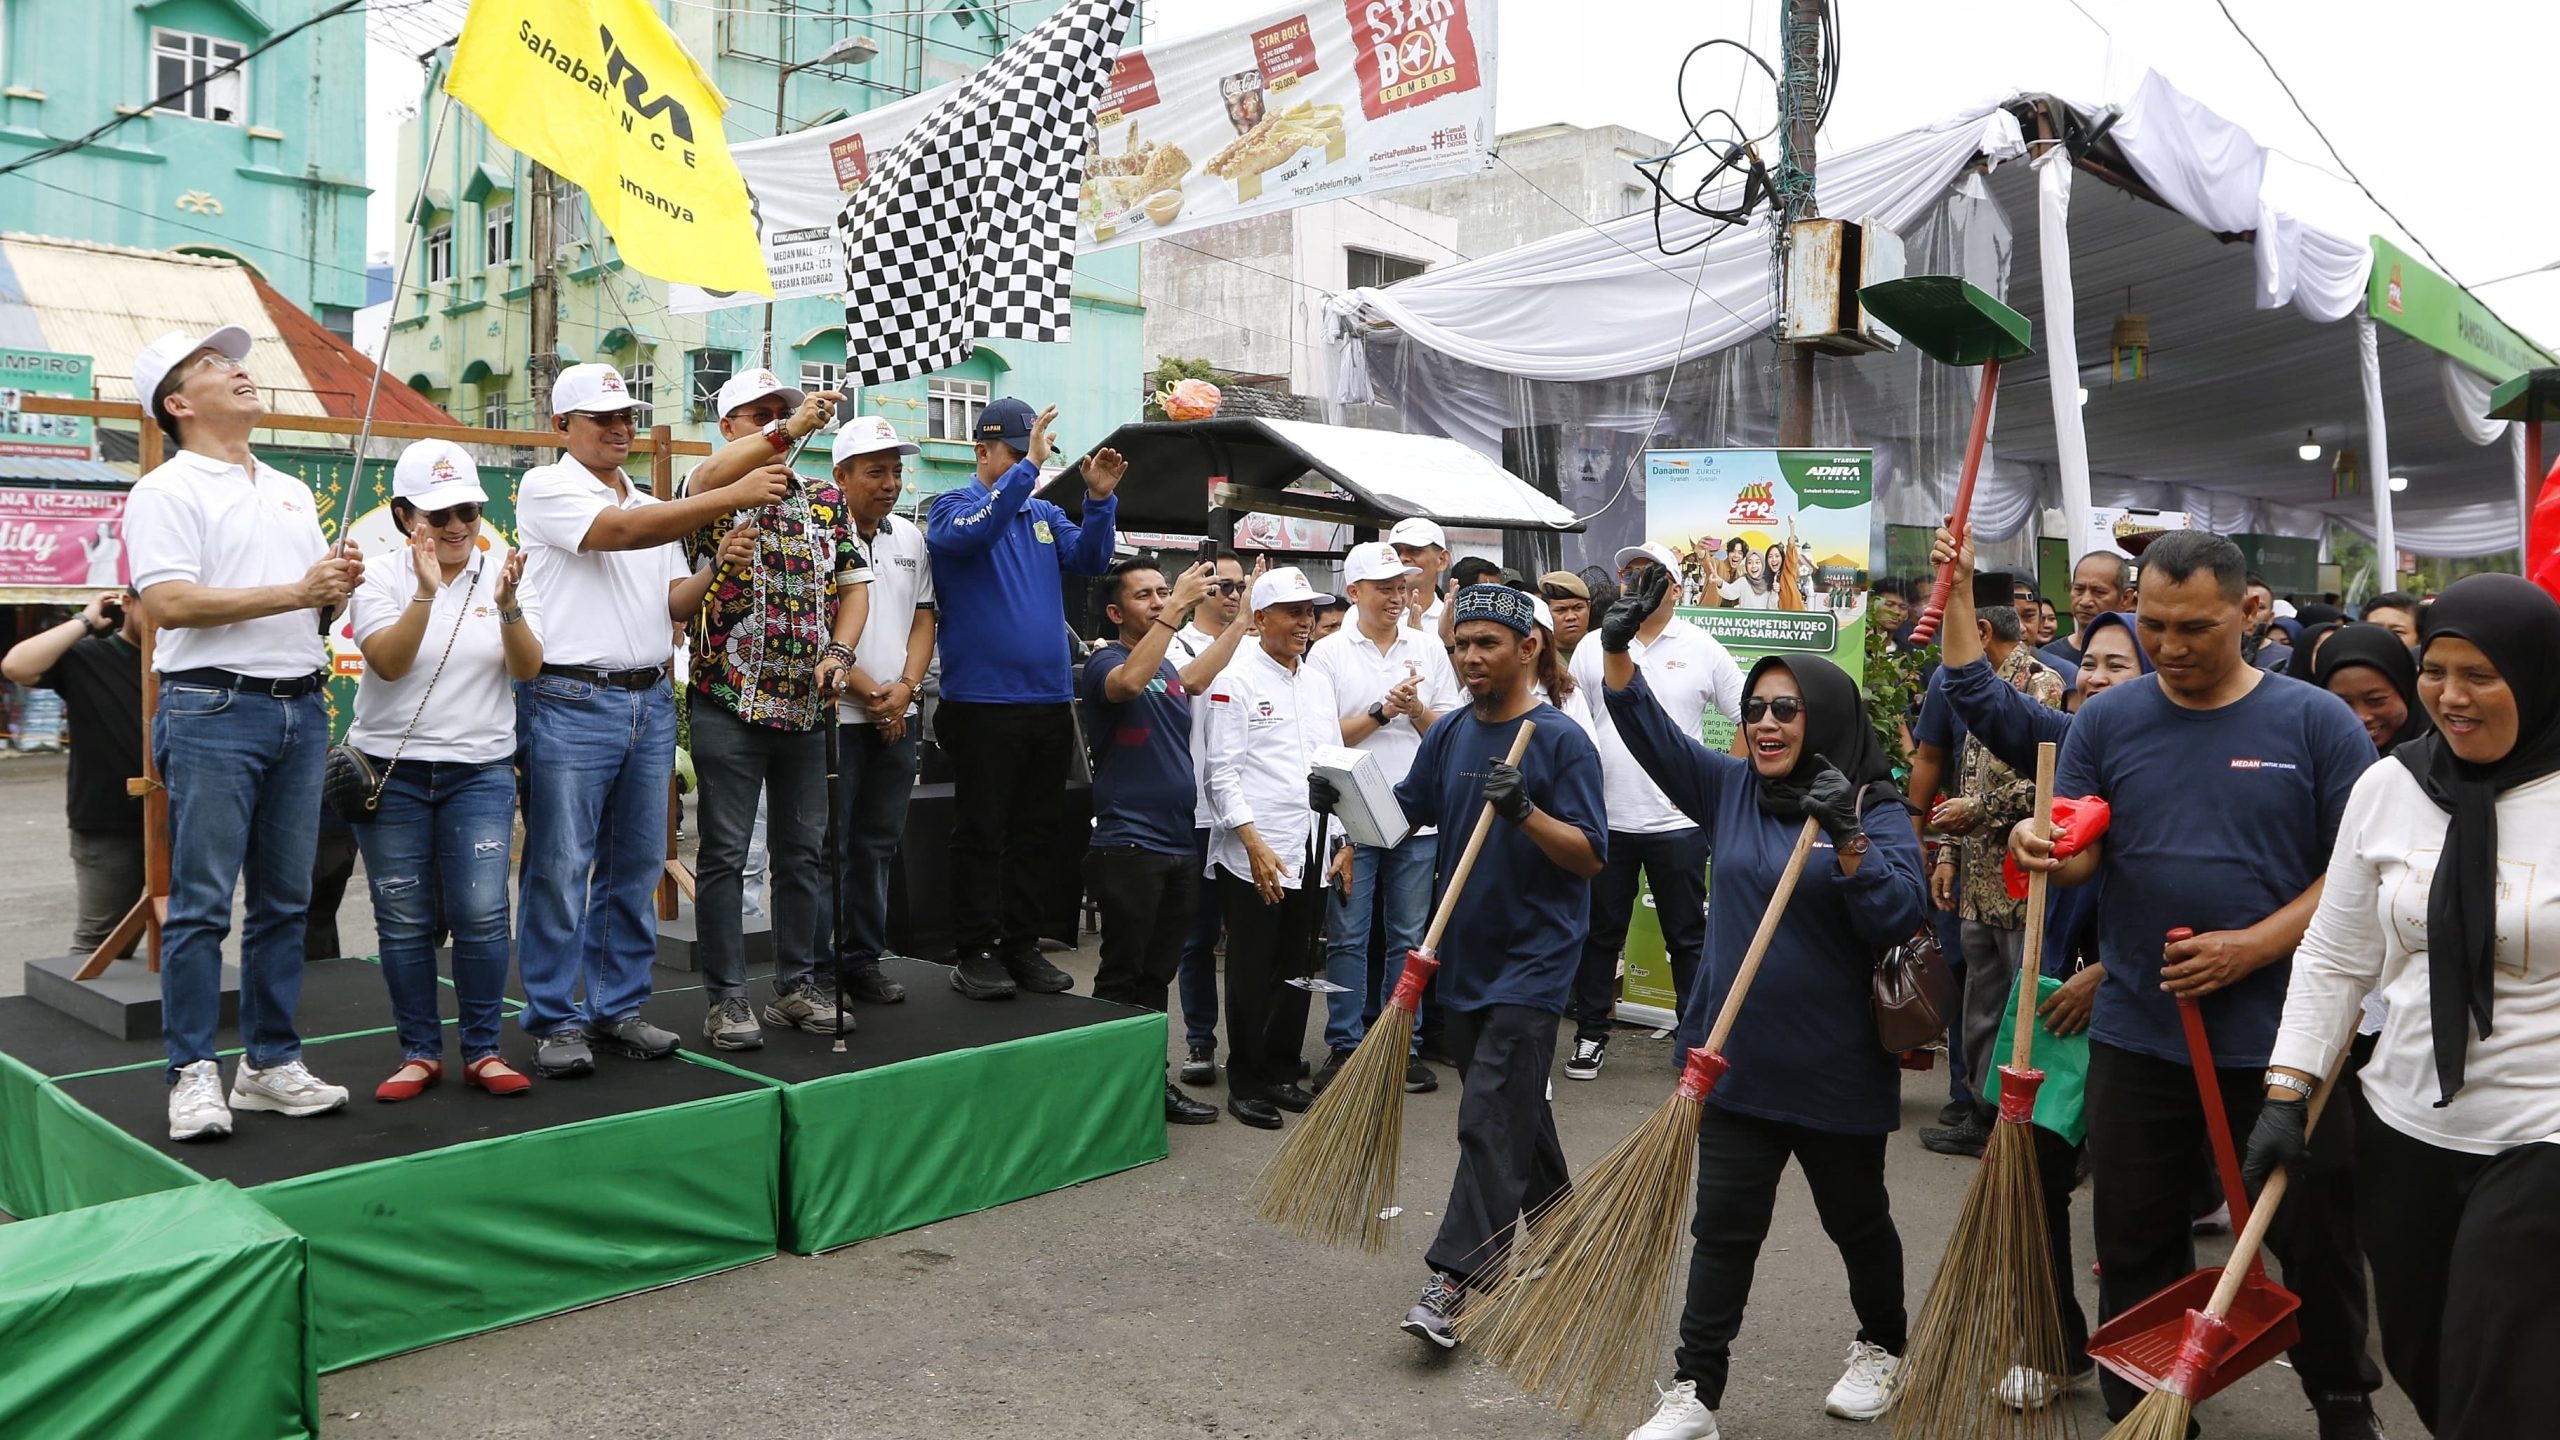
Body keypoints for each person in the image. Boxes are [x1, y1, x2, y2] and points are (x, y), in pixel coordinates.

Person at [2008, 530, 2387, 1437]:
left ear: (2249, 612)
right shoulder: (2109, 720)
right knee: (2135, 1237)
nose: (2172, 647)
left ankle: (2341, 1398)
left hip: (2287, 1041)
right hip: (2142, 1032)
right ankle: (2145, 1409)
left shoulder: (2314, 723)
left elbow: (2363, 870)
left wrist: (2253, 946)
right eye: (2154, 625)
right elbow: (2084, 838)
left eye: (2196, 627)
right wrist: (2045, 851)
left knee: (2311, 1234)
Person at [1601, 564, 1929, 1438]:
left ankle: (1882, 1346)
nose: (1768, 723)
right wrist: (1617, 647)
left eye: (1787, 709)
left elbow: (1899, 915)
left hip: (1835, 1069)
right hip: (1734, 1061)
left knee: (1858, 1221)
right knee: (1724, 1230)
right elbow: (1643, 729)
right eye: (1755, 708)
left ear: (1823, 717)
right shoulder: (1729, 788)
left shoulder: (1873, 807)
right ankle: (1694, 1394)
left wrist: (1851, 839)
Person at [2253, 573, 2560, 1437]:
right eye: (2436, 671)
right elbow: (2338, 954)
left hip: (2543, 1131)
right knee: (2425, 1359)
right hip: (2405, 1121)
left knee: (2495, 1377)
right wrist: (2287, 1089)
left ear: (2537, 677)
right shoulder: (2390, 788)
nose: (2451, 698)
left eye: (2481, 677)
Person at [1925, 524, 2149, 1404]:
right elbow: (1974, 691)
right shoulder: (2070, 739)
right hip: (2050, 1003)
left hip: (2148, 1007)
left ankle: (2148, 1364)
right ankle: (2053, 1342)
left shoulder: (2179, 755)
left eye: (2115, 666)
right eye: (2088, 663)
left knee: (2135, 1203)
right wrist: (1961, 584)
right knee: (2033, 1179)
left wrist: (2116, 972)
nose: (2094, 678)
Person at [121, 324, 361, 1139]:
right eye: (211, 364)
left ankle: (268, 1064)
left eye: (236, 359)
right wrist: (299, 591)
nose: (239, 369)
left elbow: (306, 606)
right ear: (178, 404)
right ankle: (192, 1072)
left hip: (301, 703)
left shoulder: (290, 489)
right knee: (200, 905)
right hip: (213, 707)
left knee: (286, 903)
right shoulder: (165, 489)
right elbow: (170, 606)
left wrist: (331, 589)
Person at [514, 362, 786, 1078]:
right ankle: (554, 1016)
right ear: (561, 428)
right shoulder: (548, 488)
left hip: (647, 697)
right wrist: (727, 496)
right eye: (600, 417)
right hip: (570, 697)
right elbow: (619, 533)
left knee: (635, 866)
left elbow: (673, 603)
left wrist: (718, 568)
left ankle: (617, 1007)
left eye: (626, 414)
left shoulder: (646, 500)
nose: (618, 427)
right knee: (561, 865)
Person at [1388, 585, 1605, 1348]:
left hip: (1534, 960)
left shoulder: (1560, 741)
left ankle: (1455, 1279)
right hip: (1463, 955)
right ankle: (1567, 1232)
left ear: (1528, 648)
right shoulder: (1449, 733)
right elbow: (1405, 808)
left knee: (1485, 1113)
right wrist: (1346, 808)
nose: (1470, 657)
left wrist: (1527, 813)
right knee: (1514, 1105)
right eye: (1460, 644)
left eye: (1485, 643)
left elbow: (1589, 856)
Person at [344, 441, 542, 1100]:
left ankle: (483, 1051)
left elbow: (527, 670)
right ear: (404, 515)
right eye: (439, 512)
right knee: (402, 918)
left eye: (469, 509)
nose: (457, 526)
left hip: (480, 769)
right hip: (389, 771)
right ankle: (419, 1052)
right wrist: (427, 595)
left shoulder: (506, 572)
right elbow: (390, 664)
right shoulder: (378, 576)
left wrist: (510, 605)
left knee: (483, 913)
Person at [680, 369, 871, 1052]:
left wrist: (842, 655)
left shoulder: (824, 497)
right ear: (730, 427)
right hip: (727, 702)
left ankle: (797, 986)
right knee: (727, 853)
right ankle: (727, 1001)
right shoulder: (708, 489)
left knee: (804, 854)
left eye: (783, 411)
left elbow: (853, 588)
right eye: (759, 415)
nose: (779, 422)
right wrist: (787, 430)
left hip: (805, 706)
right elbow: (708, 480)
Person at [926, 397, 1126, 999]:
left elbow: (1091, 560)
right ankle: (975, 949)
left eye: (1029, 454)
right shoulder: (951, 507)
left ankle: (1021, 943)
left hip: (1046, 699)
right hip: (982, 702)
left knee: (1037, 831)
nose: (1026, 465)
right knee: (982, 830)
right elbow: (974, 532)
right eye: (1015, 453)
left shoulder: (1040, 512)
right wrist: (1025, 473)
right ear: (981, 451)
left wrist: (1097, 501)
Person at [1563, 542, 1744, 1080]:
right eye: (1627, 573)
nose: (1634, 582)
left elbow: (1744, 717)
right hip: (1606, 819)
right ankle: (1591, 1034)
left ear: (1676, 585)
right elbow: (1572, 723)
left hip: (1678, 823)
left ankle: (1693, 1041)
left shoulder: (1702, 646)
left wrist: (1721, 789)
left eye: (1648, 573)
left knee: (1688, 937)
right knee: (1600, 936)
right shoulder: (1595, 646)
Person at [1919, 572, 2066, 1158]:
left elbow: (2049, 783)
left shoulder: (2043, 685)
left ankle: (2015, 1121)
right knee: (1979, 998)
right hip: (1977, 877)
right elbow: (1960, 771)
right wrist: (1949, 853)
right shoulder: (1969, 687)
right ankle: (1978, 1109)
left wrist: (1979, 810)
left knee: (2018, 1003)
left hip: (2022, 877)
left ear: (1981, 631)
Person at [1306, 540, 1458, 1096]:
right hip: (1351, 816)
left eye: (1404, 586)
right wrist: (1381, 711)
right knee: (1347, 936)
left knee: (1409, 937)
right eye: (1386, 587)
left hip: (1417, 818)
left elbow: (1448, 733)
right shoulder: (1328, 654)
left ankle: (1402, 1045)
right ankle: (1345, 1046)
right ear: (1354, 592)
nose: (1399, 596)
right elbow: (1322, 739)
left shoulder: (1428, 648)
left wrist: (1416, 712)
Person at [1200, 567, 1348, 1129]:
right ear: (1261, 618)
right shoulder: (1235, 680)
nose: (1305, 623)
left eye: (1310, 612)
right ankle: (1246, 1078)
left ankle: (1284, 1067)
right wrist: (1252, 843)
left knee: (1298, 965)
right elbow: (1222, 775)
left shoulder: (1316, 680)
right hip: (1255, 853)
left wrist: (1344, 839)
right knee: (1251, 970)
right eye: (1293, 612)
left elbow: (1333, 766)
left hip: (1312, 846)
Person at [1082, 556, 1225, 1125]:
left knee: (1155, 974)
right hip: (1129, 844)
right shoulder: (1107, 661)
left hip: (1176, 843)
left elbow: (1194, 678)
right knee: (1122, 971)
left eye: (1163, 591)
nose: (1160, 601)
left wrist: (1243, 620)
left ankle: (1145, 1083)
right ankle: (1108, 1092)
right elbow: (1128, 683)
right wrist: (1176, 612)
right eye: (1146, 595)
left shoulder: (1167, 665)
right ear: (1117, 612)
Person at [830, 416, 934, 1006]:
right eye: (875, 472)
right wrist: (872, 693)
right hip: (839, 716)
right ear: (841, 476)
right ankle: (819, 967)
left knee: (877, 845)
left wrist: (907, 690)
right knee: (828, 849)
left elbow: (924, 616)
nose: (890, 482)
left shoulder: (910, 539)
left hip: (899, 713)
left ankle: (862, 960)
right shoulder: (818, 536)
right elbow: (818, 627)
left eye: (895, 471)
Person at [3, 587, 144, 957]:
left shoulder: (191, 661)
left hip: (186, 819)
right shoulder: (89, 656)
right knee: (104, 944)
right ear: (127, 604)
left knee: (190, 931)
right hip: (106, 819)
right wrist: (84, 620)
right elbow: (17, 666)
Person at [1167, 550, 1254, 1086]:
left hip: (1251, 812)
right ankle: (1200, 1040)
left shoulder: (1260, 649)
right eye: (1221, 586)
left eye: (1241, 586)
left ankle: (1255, 1044)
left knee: (1250, 937)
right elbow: (1191, 683)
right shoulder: (1176, 644)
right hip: (1197, 811)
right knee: (1196, 938)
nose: (1232, 595)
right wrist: (1241, 628)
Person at [2314, 623, 2431, 755]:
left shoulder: (2440, 758)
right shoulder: (2310, 758)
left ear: (2406, 691)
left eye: (2376, 700)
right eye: (2342, 704)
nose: (2361, 717)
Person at [2048, 550, 2132, 671]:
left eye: (2098, 592)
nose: (2085, 601)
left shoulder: (2142, 656)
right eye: (2079, 589)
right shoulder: (2048, 658)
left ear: (2125, 598)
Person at [1389, 517, 1451, 636]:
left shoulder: (1453, 620)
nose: (1402, 558)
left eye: (1414, 550)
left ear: (1442, 560)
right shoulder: (1369, 616)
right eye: (1396, 551)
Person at [1539, 571, 1591, 656]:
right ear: (1546, 612)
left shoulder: (1604, 650)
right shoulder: (1537, 656)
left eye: (1578, 608)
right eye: (1560, 610)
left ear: (1588, 607)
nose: (1571, 617)